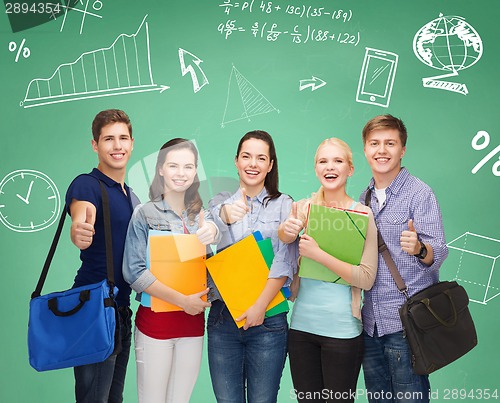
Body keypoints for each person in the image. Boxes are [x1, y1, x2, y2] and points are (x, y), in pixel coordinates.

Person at [278, 138, 378, 403]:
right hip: (301, 330)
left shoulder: (363, 215)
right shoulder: (302, 208)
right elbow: (284, 239)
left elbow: (366, 279)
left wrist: (319, 255)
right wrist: (287, 231)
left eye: (338, 161)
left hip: (343, 333)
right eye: (323, 161)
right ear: (315, 168)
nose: (330, 167)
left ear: (350, 169)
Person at [122, 138, 219, 403]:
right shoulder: (144, 213)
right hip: (155, 326)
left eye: (188, 166)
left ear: (195, 171)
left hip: (193, 326)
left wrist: (212, 231)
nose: (181, 173)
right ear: (161, 168)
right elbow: (134, 272)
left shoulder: (202, 215)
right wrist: (182, 301)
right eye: (173, 165)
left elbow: (214, 259)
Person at [359, 114, 448, 403]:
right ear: (365, 149)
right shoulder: (364, 198)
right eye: (374, 143)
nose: (381, 150)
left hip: (405, 326)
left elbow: (439, 252)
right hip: (371, 324)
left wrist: (420, 248)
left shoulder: (420, 194)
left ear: (402, 149)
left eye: (390, 143)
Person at [207, 130, 296, 403]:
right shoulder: (219, 202)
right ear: (236, 161)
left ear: (270, 165)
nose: (252, 164)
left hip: (268, 321)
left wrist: (260, 306)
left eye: (261, 158)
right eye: (246, 156)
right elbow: (206, 232)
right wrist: (223, 215)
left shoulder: (285, 205)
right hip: (224, 320)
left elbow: (285, 260)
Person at [66, 109, 139, 403]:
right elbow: (81, 216)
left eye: (123, 138)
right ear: (95, 145)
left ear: (132, 143)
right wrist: (79, 230)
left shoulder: (130, 195)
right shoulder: (87, 184)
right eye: (108, 139)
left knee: (112, 399)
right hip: (94, 309)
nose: (117, 145)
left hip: (120, 309)